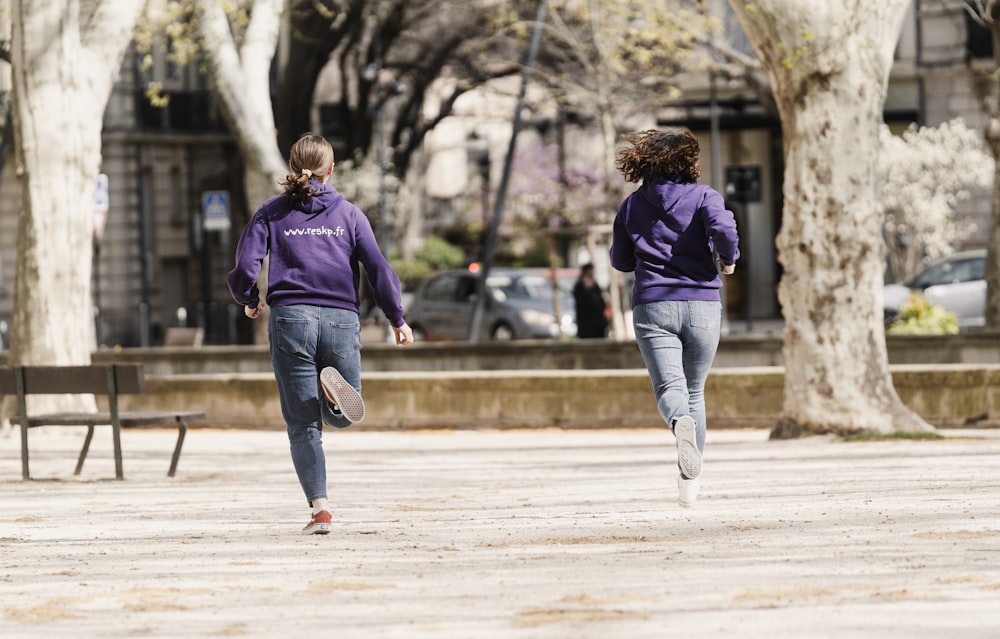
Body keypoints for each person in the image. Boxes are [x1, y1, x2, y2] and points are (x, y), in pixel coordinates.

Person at [227, 133, 413, 535]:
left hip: (290, 319)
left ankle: (321, 511)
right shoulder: (349, 214)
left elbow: (245, 265)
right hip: (341, 320)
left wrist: (250, 297)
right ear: (331, 170)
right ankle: (335, 398)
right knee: (346, 417)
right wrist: (396, 318)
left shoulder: (271, 212)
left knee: (301, 424)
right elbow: (378, 268)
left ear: (294, 169)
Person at [609, 128, 739, 508]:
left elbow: (620, 261)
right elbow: (725, 228)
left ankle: (677, 421)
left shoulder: (632, 206)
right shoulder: (704, 197)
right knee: (696, 391)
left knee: (672, 391)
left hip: (653, 305)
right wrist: (727, 259)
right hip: (702, 304)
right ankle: (688, 486)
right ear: (688, 161)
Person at [572, 263, 609, 339]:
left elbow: (600, 302)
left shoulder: (595, 285)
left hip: (598, 324)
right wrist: (587, 290)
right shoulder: (579, 286)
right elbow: (580, 302)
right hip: (585, 324)